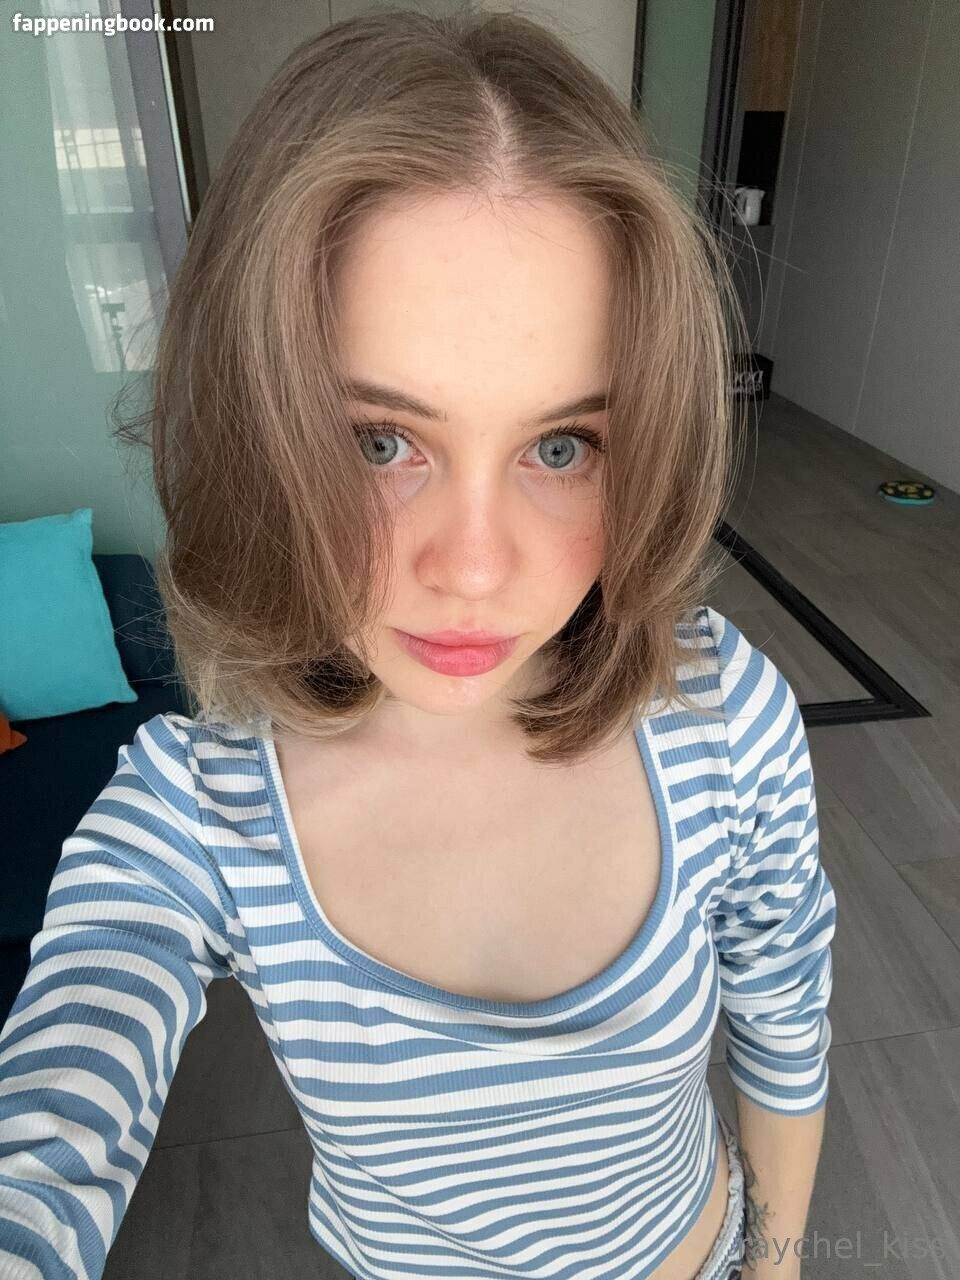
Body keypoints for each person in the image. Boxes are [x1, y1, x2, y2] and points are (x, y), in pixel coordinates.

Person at [0, 8, 836, 1279]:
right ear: (256, 436)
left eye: (561, 445)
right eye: (378, 441)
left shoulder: (722, 716)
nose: (475, 569)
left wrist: (775, 1264)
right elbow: (49, 1127)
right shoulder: (200, 812)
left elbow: (786, 1018)